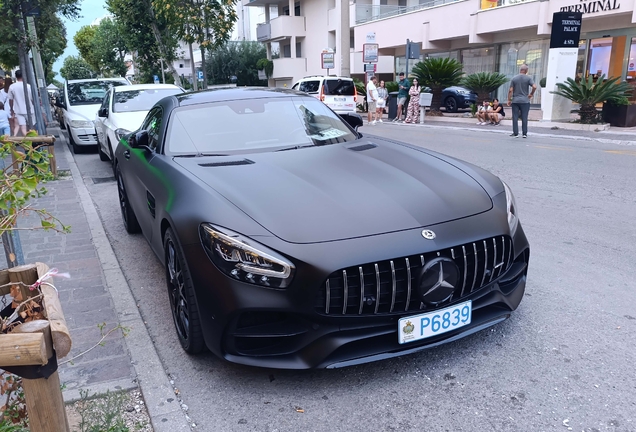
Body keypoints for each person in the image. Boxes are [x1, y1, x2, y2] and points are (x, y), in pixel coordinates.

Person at [507, 64, 536, 138]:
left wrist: (509, 99)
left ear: (520, 70)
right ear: (526, 70)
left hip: (515, 100)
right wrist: (531, 94)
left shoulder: (514, 78)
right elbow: (534, 87)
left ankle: (516, 133)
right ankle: (524, 133)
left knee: (515, 117)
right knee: (524, 117)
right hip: (525, 101)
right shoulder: (528, 78)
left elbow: (510, 90)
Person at [8, 70, 35, 137]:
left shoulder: (12, 87)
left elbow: (10, 99)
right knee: (32, 127)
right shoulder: (28, 86)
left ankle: (27, 143)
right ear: (24, 76)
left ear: (16, 77)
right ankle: (33, 142)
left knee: (23, 127)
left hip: (18, 110)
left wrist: (11, 109)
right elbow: (32, 99)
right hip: (30, 109)